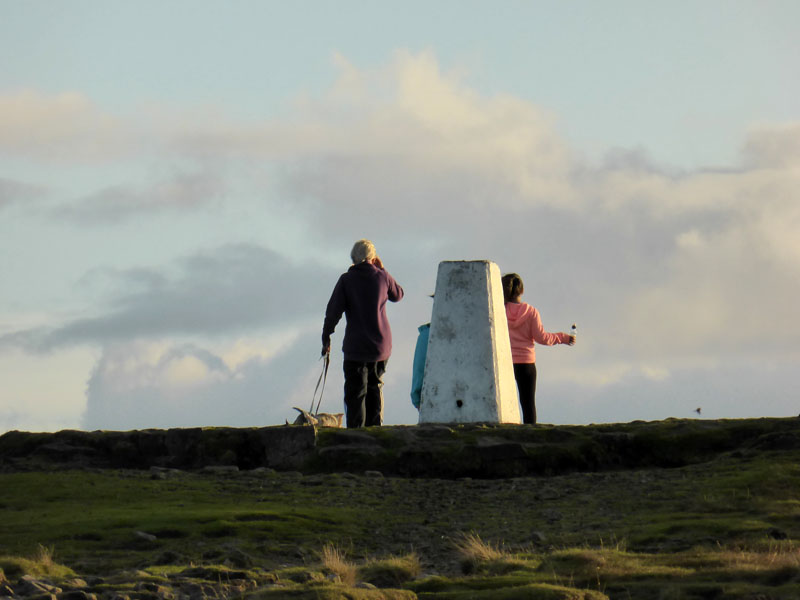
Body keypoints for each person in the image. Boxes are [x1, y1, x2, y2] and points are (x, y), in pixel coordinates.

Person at [322, 239, 404, 428]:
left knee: (356, 392)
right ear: (373, 257)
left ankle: (356, 433)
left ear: (353, 258)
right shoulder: (382, 277)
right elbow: (398, 295)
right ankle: (375, 431)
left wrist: (326, 336)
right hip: (380, 346)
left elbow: (333, 311)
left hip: (356, 347)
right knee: (375, 388)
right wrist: (383, 270)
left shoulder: (346, 280)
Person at [501, 273, 574, 425]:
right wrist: (563, 338)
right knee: (528, 404)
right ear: (521, 290)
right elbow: (542, 338)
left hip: (505, 362)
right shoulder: (531, 311)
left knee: (504, 400)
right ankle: (529, 434)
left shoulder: (499, 311)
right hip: (526, 364)